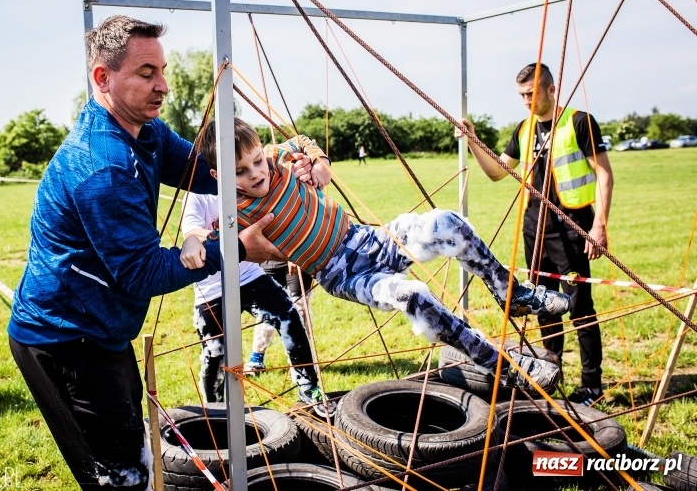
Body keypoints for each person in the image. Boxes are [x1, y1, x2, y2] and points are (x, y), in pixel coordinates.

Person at [7, 15, 307, 489]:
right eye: (147, 73)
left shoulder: (144, 132)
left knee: (137, 456)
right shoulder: (103, 167)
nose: (163, 85)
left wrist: (281, 168)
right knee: (119, 477)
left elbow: (207, 171)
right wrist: (235, 249)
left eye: (162, 71)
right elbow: (144, 272)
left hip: (103, 328)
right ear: (103, 78)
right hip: (63, 338)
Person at [191, 117, 571, 397]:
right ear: (218, 176)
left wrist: (320, 164)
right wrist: (200, 241)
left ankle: (511, 292)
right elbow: (211, 245)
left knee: (445, 222)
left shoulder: (277, 157)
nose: (255, 173)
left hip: (364, 238)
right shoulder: (234, 212)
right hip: (340, 273)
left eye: (256, 161)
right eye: (240, 172)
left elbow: (304, 141)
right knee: (413, 295)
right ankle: (504, 366)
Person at [458, 62, 613, 406]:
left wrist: (599, 225)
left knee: (580, 308)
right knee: (544, 306)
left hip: (572, 228)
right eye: (522, 95)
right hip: (535, 229)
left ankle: (591, 385)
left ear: (551, 89)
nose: (526, 101)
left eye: (531, 93)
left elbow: (604, 173)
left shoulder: (578, 122)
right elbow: (497, 172)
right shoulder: (524, 130)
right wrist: (472, 140)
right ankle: (550, 375)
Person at [180, 193, 329, 414]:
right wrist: (235, 238)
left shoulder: (243, 186)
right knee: (214, 352)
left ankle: (309, 388)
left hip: (250, 276)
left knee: (289, 316)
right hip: (212, 287)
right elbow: (191, 232)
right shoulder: (197, 195)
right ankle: (215, 411)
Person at [244, 260, 315, 374]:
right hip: (266, 260)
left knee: (299, 309)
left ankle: (301, 363)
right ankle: (256, 359)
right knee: (266, 310)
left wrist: (296, 256)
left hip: (294, 258)